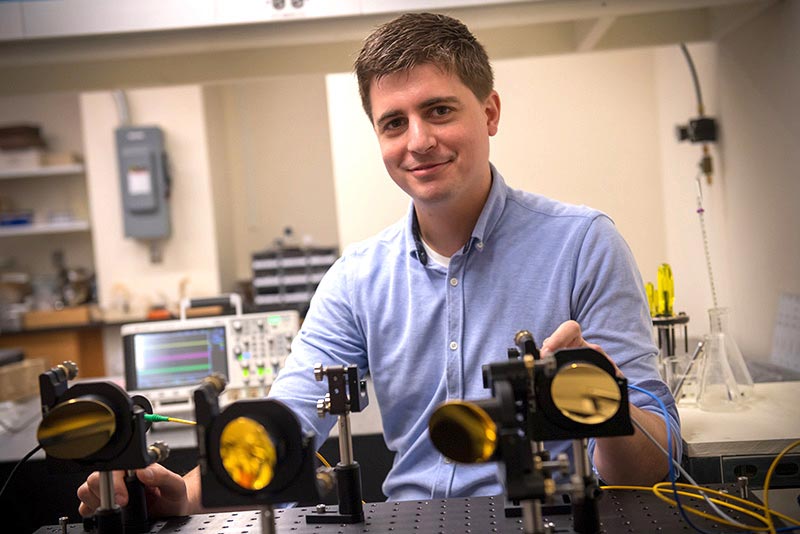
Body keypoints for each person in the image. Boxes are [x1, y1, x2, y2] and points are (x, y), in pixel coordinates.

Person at [77, 12, 680, 517]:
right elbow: (284, 427)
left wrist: (600, 403)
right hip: (411, 524)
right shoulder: (357, 278)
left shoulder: (584, 245)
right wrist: (185, 494)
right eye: (394, 123)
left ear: (490, 113)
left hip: (549, 521)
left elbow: (661, 461)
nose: (417, 141)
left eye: (440, 111)